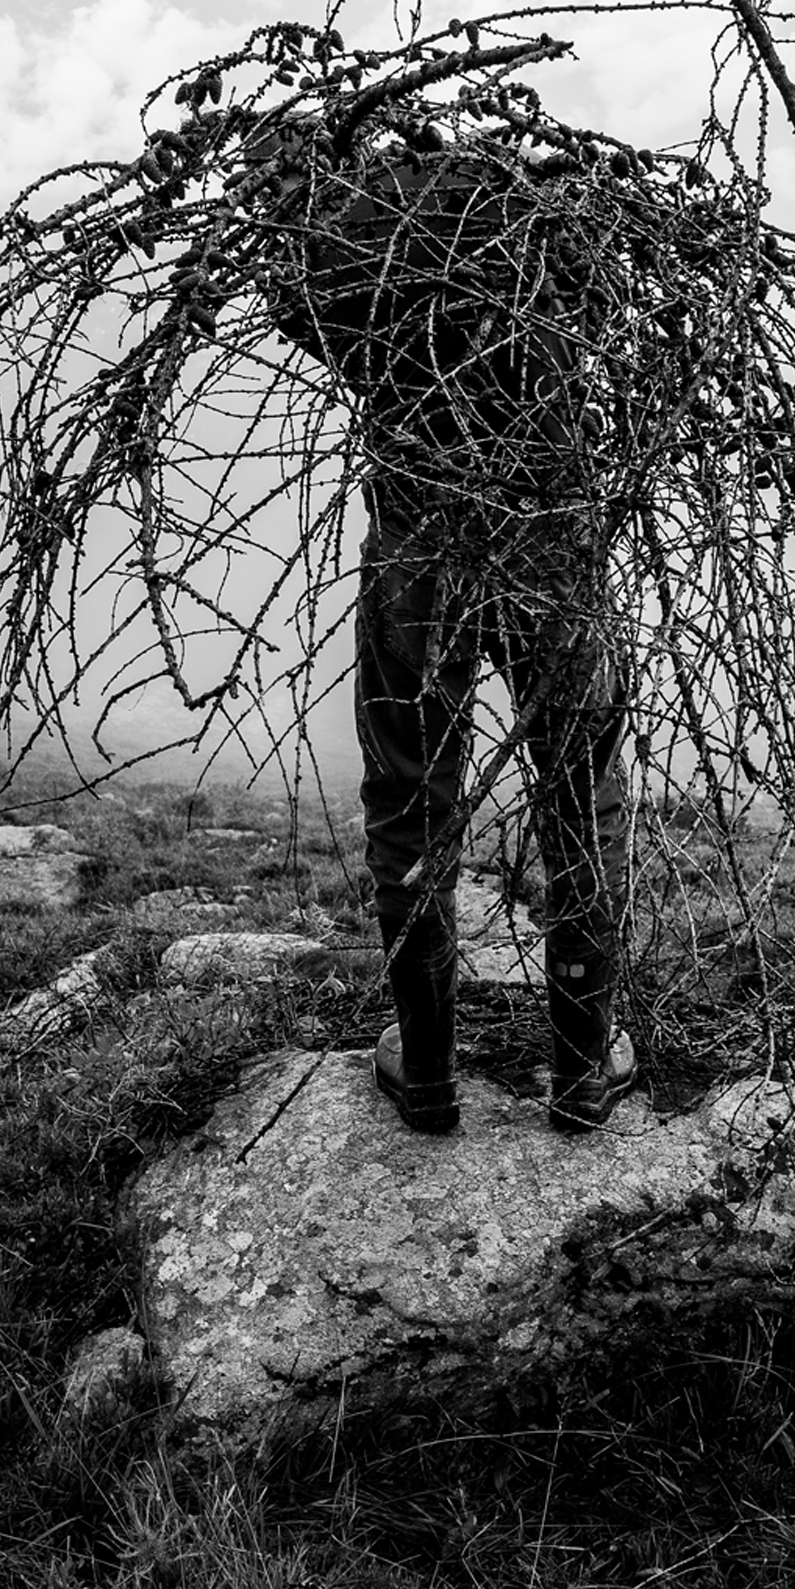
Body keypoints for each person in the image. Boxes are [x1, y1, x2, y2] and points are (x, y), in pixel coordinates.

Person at [274, 125, 640, 1135]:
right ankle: (579, 1069)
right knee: (578, 788)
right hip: (551, 537)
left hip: (416, 540)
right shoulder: (566, 245)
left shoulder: (367, 257)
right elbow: (617, 315)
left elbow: (298, 300)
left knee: (408, 791)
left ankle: (427, 1068)